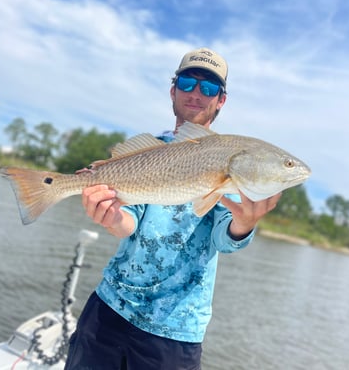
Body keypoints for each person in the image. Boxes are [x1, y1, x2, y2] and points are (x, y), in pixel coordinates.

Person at [64, 48, 281, 370]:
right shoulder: (150, 151)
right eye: (187, 82)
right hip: (109, 309)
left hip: (176, 330)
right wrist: (110, 217)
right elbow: (129, 221)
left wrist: (244, 224)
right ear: (173, 90)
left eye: (208, 88)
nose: (196, 93)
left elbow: (225, 238)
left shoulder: (228, 158)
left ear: (221, 100)